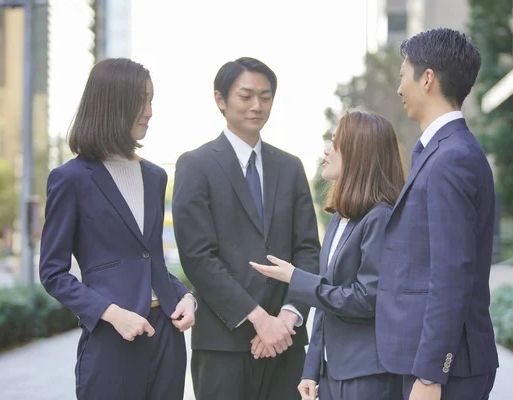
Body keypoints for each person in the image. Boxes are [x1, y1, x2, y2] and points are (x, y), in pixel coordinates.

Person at [39, 58, 195, 400]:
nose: (150, 111)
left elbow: (150, 258)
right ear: (112, 103)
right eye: (141, 99)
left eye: (151, 99)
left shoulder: (155, 176)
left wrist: (184, 296)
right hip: (112, 338)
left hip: (166, 337)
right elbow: (53, 273)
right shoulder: (71, 179)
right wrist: (111, 314)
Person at [172, 56, 321, 400]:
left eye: (266, 97)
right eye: (246, 96)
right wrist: (258, 319)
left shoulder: (291, 166)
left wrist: (286, 318)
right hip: (223, 344)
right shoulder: (195, 165)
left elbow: (308, 250)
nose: (257, 106)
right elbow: (197, 257)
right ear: (220, 100)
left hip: (287, 342)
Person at [375, 28, 499, 399]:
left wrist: (431, 375)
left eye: (402, 76)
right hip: (432, 363)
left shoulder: (451, 158)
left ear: (427, 78)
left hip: (446, 370)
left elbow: (451, 275)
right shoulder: (440, 151)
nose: (399, 89)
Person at [251, 111, 405, 400]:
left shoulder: (380, 218)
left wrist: (297, 279)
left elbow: (366, 298)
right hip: (332, 372)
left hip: (366, 377)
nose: (326, 149)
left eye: (336, 142)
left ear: (359, 152)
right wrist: (312, 370)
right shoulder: (339, 218)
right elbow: (325, 304)